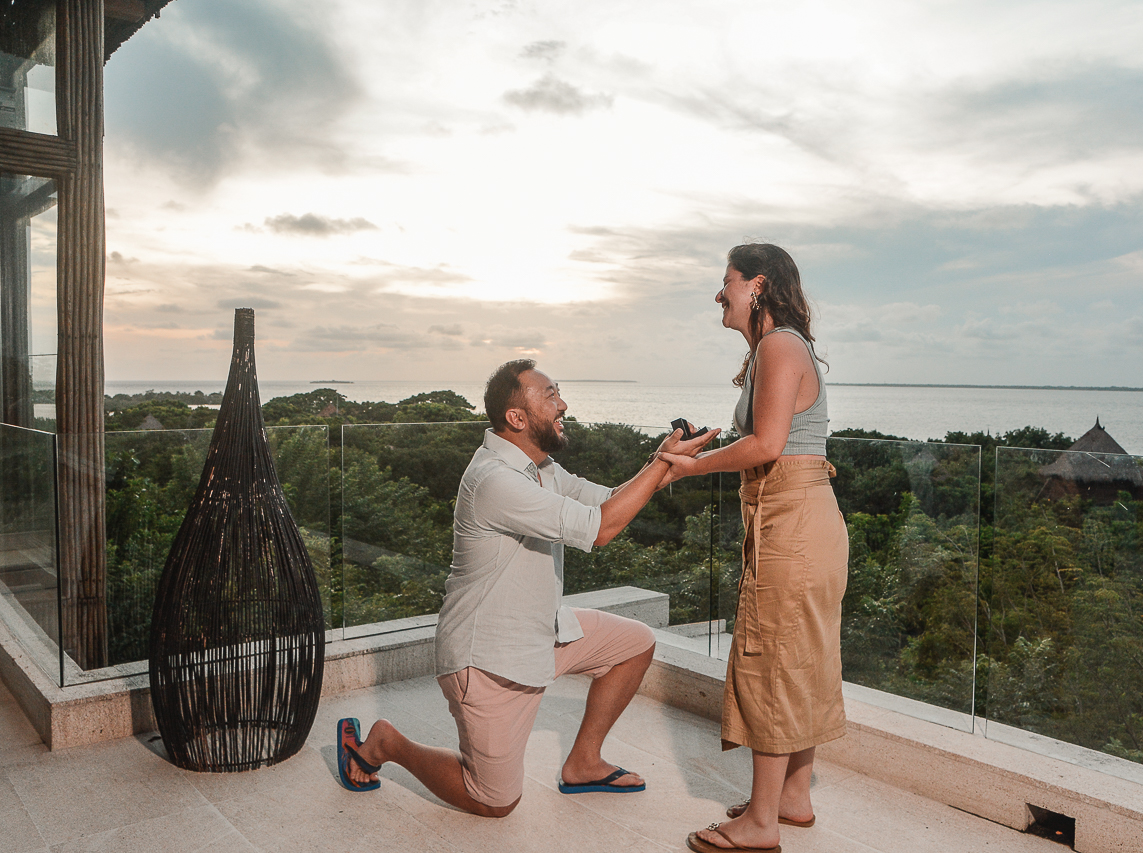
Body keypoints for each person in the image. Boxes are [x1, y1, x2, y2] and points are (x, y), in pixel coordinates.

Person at [336, 359, 718, 817]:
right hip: (489, 658)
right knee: (494, 801)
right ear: (516, 418)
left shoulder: (542, 468)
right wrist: (660, 466)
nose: (564, 405)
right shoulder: (494, 480)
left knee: (635, 643)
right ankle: (386, 743)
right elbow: (600, 529)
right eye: (551, 396)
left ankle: (584, 763)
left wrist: (664, 465)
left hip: (541, 633)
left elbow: (607, 498)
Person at [658, 244, 848, 853]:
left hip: (790, 520)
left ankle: (761, 824)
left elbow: (766, 445)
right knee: (800, 659)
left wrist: (686, 469)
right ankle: (792, 798)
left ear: (758, 285)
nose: (721, 294)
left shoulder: (779, 345)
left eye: (728, 282)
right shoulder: (780, 348)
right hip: (798, 517)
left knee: (773, 661)